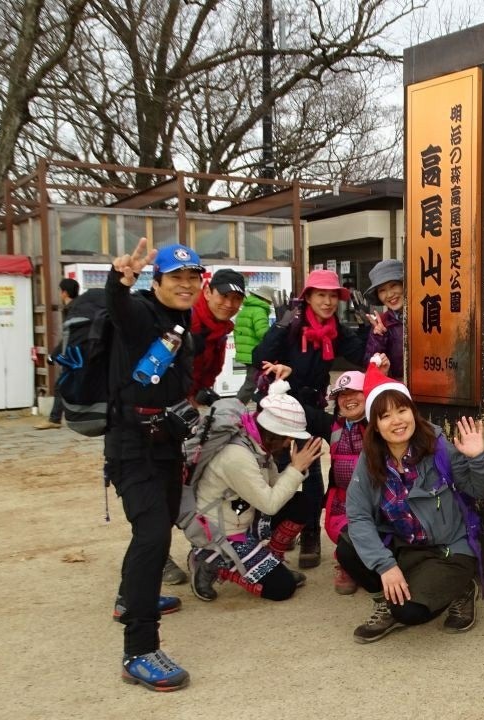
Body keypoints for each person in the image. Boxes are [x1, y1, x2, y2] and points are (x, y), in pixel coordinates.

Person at [105, 239, 201, 692]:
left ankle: (130, 597)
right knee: (153, 535)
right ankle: (139, 650)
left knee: (157, 525)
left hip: (164, 445)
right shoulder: (142, 313)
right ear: (156, 281)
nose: (185, 284)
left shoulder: (180, 320)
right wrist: (119, 281)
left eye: (191, 277)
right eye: (175, 277)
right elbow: (120, 309)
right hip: (131, 446)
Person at [339, 364, 484, 643]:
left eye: (402, 410)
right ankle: (385, 600)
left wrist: (477, 458)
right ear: (375, 425)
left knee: (408, 612)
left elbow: (478, 490)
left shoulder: (438, 447)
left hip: (449, 551)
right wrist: (384, 565)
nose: (396, 421)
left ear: (413, 412)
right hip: (405, 546)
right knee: (348, 545)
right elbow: (358, 516)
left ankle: (461, 589)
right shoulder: (370, 459)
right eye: (385, 416)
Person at [253, 268, 369, 568]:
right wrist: (281, 324)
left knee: (313, 468)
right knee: (280, 468)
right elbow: (259, 356)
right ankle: (285, 525)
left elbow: (361, 356)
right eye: (321, 295)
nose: (328, 302)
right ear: (308, 297)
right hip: (282, 404)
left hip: (313, 407)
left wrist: (366, 324)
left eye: (333, 296)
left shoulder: (336, 330)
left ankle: (311, 534)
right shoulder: (293, 324)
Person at [186, 383, 324, 603]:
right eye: (288, 436)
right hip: (224, 534)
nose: (290, 442)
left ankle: (273, 559)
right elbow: (269, 504)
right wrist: (295, 470)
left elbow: (273, 487)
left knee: (302, 503)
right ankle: (208, 561)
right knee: (282, 589)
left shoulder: (255, 444)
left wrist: (298, 469)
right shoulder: (237, 456)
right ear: (273, 433)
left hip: (245, 519)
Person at [312, 370, 369, 595]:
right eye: (341, 395)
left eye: (355, 392)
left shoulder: (378, 422)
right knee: (341, 532)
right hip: (342, 497)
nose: (348, 398)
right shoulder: (332, 425)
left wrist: (378, 375)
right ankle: (347, 563)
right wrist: (277, 382)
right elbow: (299, 409)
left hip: (373, 499)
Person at [190, 268, 246, 399]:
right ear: (207, 292)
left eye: (236, 298)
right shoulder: (189, 320)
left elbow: (211, 370)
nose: (229, 304)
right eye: (224, 295)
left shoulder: (221, 328)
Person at [35, 278, 80, 430]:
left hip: (75, 356)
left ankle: (55, 419)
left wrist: (53, 355)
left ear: (64, 292)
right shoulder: (78, 307)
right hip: (81, 353)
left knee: (61, 385)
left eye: (60, 290)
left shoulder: (72, 310)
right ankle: (57, 418)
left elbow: (69, 336)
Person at [364, 259, 405, 380]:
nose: (389, 294)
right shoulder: (381, 322)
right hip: (397, 390)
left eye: (393, 285)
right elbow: (369, 365)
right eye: (382, 290)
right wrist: (379, 337)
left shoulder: (426, 312)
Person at [233, 285, 275, 368]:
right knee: (255, 379)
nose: (270, 303)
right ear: (265, 299)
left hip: (244, 352)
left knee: (251, 377)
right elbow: (262, 333)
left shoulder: (245, 308)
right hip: (254, 353)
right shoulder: (259, 310)